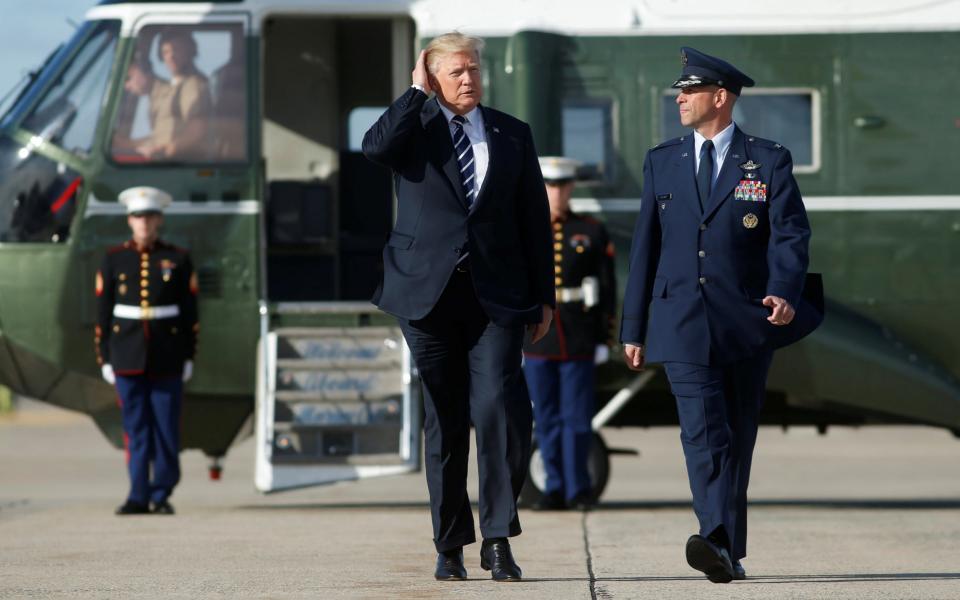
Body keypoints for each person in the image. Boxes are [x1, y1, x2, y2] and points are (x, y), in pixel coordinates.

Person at [619, 47, 823, 583]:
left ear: (720, 97)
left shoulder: (768, 159)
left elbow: (790, 235)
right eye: (679, 92)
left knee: (736, 433)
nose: (680, 99)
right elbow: (646, 246)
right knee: (702, 432)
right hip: (680, 318)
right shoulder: (662, 159)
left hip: (746, 320)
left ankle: (726, 548)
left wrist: (783, 291)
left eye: (690, 91)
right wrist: (633, 326)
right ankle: (713, 536)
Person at [362, 32, 554, 582]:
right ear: (432, 75)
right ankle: (449, 545)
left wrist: (545, 296)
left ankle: (497, 538)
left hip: (497, 297)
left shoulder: (512, 133)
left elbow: (534, 220)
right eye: (456, 72)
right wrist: (414, 93)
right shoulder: (413, 128)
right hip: (426, 295)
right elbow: (374, 148)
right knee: (444, 421)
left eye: (474, 69)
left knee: (499, 410)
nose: (468, 79)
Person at [95, 186, 199, 516]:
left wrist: (188, 356)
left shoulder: (178, 259)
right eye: (138, 216)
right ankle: (138, 494)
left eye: (150, 216)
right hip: (126, 356)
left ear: (159, 220)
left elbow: (190, 314)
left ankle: (162, 492)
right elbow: (102, 312)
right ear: (129, 220)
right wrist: (105, 357)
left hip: (167, 356)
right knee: (136, 429)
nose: (144, 223)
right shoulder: (114, 259)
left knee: (167, 429)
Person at [522, 156, 616, 512]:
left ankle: (579, 489)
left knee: (577, 419)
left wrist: (605, 337)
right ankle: (555, 487)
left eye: (562, 185)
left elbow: (606, 287)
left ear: (572, 187)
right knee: (545, 419)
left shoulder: (591, 229)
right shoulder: (526, 230)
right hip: (538, 338)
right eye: (550, 185)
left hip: (578, 335)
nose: (557, 192)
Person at [112, 30, 213, 161]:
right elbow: (161, 137)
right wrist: (128, 145)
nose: (171, 56)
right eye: (166, 52)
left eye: (176, 49)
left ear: (190, 51)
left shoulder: (192, 85)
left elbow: (197, 129)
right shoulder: (175, 87)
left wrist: (168, 150)